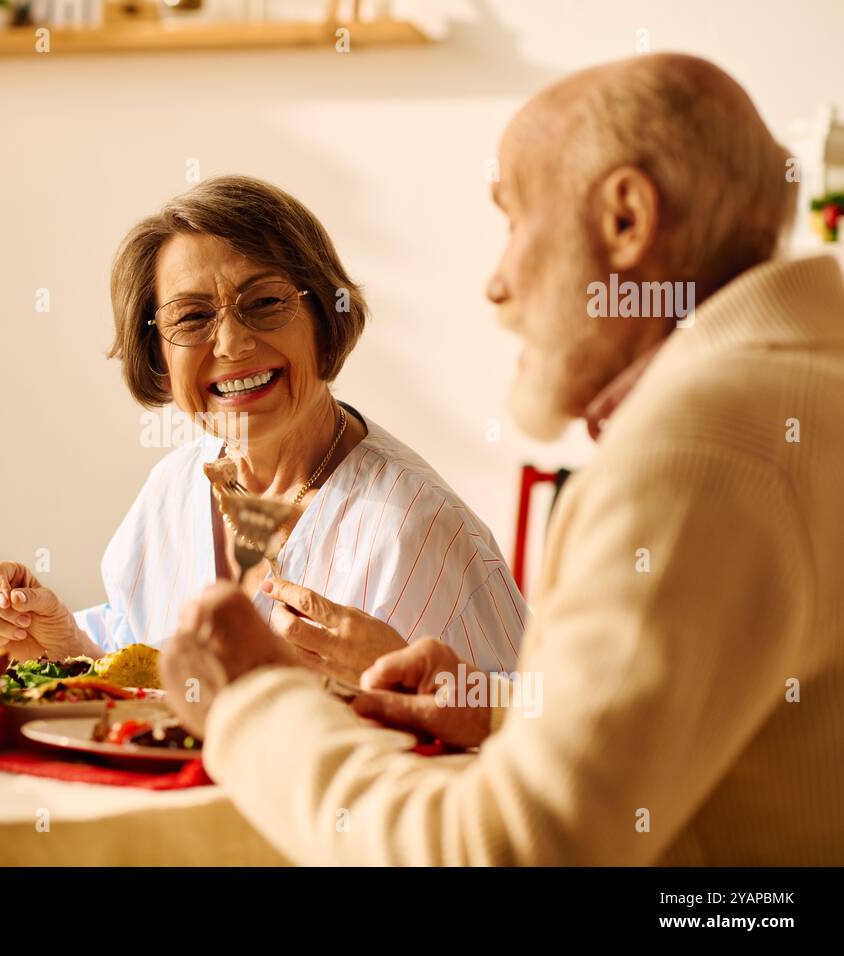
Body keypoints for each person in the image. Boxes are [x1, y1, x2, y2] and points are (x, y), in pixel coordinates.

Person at [160, 54, 844, 864]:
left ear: (626, 219)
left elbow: (510, 855)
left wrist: (254, 703)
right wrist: (498, 706)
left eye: (514, 221)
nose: (496, 283)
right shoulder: (801, 385)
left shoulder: (698, 443)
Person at [0, 176, 525, 682]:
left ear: (324, 323)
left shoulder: (419, 529)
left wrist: (405, 685)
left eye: (264, 303)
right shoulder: (174, 486)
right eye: (191, 317)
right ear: (158, 355)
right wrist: (64, 644)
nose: (233, 344)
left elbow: (539, 737)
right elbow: (137, 665)